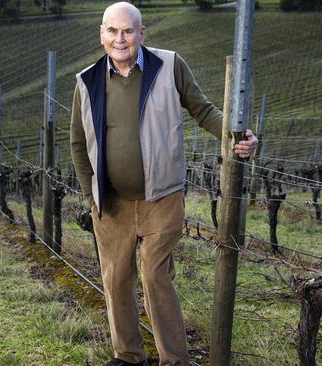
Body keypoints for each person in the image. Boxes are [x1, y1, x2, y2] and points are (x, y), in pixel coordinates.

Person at [69, 3, 258, 365]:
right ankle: (128, 356)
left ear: (142, 33)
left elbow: (202, 110)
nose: (120, 39)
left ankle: (175, 360)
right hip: (111, 202)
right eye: (113, 31)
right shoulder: (86, 80)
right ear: (102, 34)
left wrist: (237, 137)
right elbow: (78, 141)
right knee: (115, 279)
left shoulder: (169, 65)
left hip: (162, 198)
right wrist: (89, 193)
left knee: (155, 275)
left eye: (128, 31)